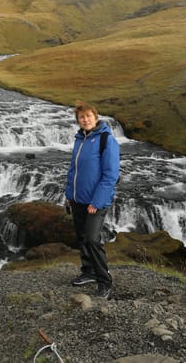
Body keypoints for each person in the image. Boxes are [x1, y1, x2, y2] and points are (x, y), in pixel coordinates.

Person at [64, 101, 120, 299]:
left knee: (92, 239)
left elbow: (111, 176)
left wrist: (96, 202)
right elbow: (74, 170)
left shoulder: (106, 140)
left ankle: (105, 281)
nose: (85, 120)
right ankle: (87, 272)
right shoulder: (80, 139)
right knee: (82, 237)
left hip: (96, 202)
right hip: (78, 199)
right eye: (81, 117)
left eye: (88, 116)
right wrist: (69, 195)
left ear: (95, 117)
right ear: (78, 121)